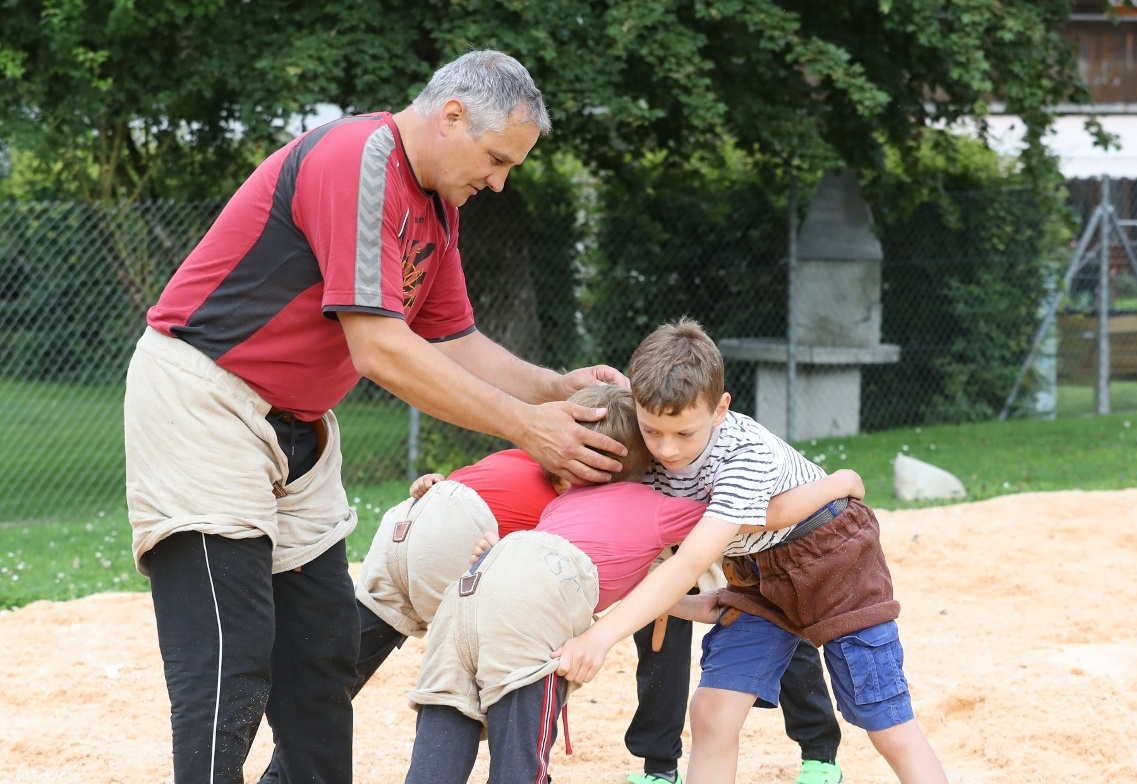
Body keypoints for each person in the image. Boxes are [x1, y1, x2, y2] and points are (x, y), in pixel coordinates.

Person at [123, 49, 630, 784]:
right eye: (495, 158)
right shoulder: (360, 158)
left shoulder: (436, 206)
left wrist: (551, 390)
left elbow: (452, 339)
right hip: (205, 401)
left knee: (320, 649)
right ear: (451, 115)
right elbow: (380, 350)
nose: (498, 181)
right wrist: (526, 427)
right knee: (230, 655)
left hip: (298, 425)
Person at [553, 318, 949, 784]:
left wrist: (601, 637)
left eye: (684, 434)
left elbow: (695, 559)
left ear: (720, 408)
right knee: (712, 711)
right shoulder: (646, 451)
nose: (667, 449)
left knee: (884, 719)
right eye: (653, 430)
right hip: (754, 573)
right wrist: (685, 605)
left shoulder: (744, 452)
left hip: (833, 559)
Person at [403, 384, 858, 784]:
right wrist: (840, 480)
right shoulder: (641, 498)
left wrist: (695, 608)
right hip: (543, 600)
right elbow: (759, 515)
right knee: (521, 752)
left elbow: (615, 570)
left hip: (472, 596)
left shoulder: (572, 498)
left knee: (446, 723)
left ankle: (816, 750)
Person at [260, 448, 568, 783]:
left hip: (405, 529)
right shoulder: (563, 485)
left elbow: (461, 486)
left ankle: (279, 777)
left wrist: (431, 489)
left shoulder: (522, 455)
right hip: (452, 549)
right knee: (514, 668)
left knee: (330, 674)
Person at [626, 629, 843, 784]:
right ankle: (660, 768)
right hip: (667, 565)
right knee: (660, 620)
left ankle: (820, 754)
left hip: (749, 567)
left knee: (779, 618)